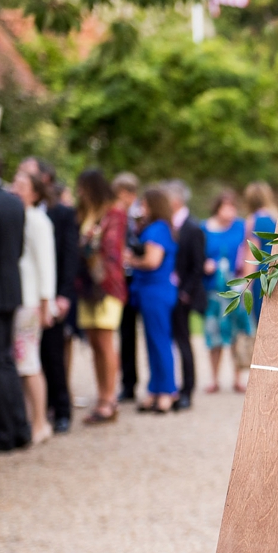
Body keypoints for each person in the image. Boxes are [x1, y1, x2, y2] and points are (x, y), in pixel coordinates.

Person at [20, 157, 78, 434]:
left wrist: (63, 295)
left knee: (53, 355)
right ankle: (34, 413)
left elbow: (69, 257)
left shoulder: (63, 213)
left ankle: (61, 411)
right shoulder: (19, 210)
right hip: (27, 296)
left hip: (53, 294)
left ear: (42, 180)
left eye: (26, 173)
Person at [0, 149, 31, 451]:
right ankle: (19, 428)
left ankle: (3, 434)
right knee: (5, 362)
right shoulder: (14, 202)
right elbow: (16, 250)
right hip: (10, 290)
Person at [75, 169, 127, 424]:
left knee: (105, 342)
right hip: (86, 287)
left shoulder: (113, 212)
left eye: (83, 187)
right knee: (94, 342)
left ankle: (110, 398)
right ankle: (101, 395)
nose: (79, 192)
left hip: (107, 286)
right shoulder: (87, 213)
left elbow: (112, 250)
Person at [10, 170, 57, 444]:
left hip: (30, 302)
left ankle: (40, 421)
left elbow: (46, 265)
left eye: (23, 185)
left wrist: (45, 304)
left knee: (29, 362)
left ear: (35, 192)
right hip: (16, 299)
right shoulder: (16, 216)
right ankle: (28, 418)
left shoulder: (38, 222)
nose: (16, 188)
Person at [125, 187, 178, 414]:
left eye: (144, 204)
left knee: (160, 342)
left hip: (156, 290)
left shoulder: (158, 229)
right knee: (152, 342)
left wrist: (130, 260)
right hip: (149, 291)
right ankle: (155, 389)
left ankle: (167, 391)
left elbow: (152, 261)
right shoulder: (157, 228)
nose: (141, 208)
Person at [202, 189, 253, 393]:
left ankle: (237, 378)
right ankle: (213, 379)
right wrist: (204, 264)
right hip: (213, 290)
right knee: (213, 333)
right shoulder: (204, 228)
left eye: (233, 206)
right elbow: (196, 254)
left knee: (236, 333)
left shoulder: (241, 227)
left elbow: (249, 250)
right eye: (226, 206)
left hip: (236, 288)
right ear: (217, 208)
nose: (230, 211)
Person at [166, 180, 206, 411]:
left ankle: (187, 390)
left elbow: (197, 265)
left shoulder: (193, 228)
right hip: (167, 292)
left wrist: (185, 293)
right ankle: (170, 387)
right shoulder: (166, 225)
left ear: (176, 200)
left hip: (183, 296)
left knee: (183, 342)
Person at [113, 172, 142, 402]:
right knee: (124, 333)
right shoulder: (115, 214)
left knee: (134, 333)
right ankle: (127, 383)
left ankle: (134, 382)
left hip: (137, 277)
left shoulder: (139, 216)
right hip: (122, 278)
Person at [244, 181, 277, 322]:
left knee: (262, 319)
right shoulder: (277, 216)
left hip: (262, 273)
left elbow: (252, 253)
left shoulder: (253, 220)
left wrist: (247, 284)